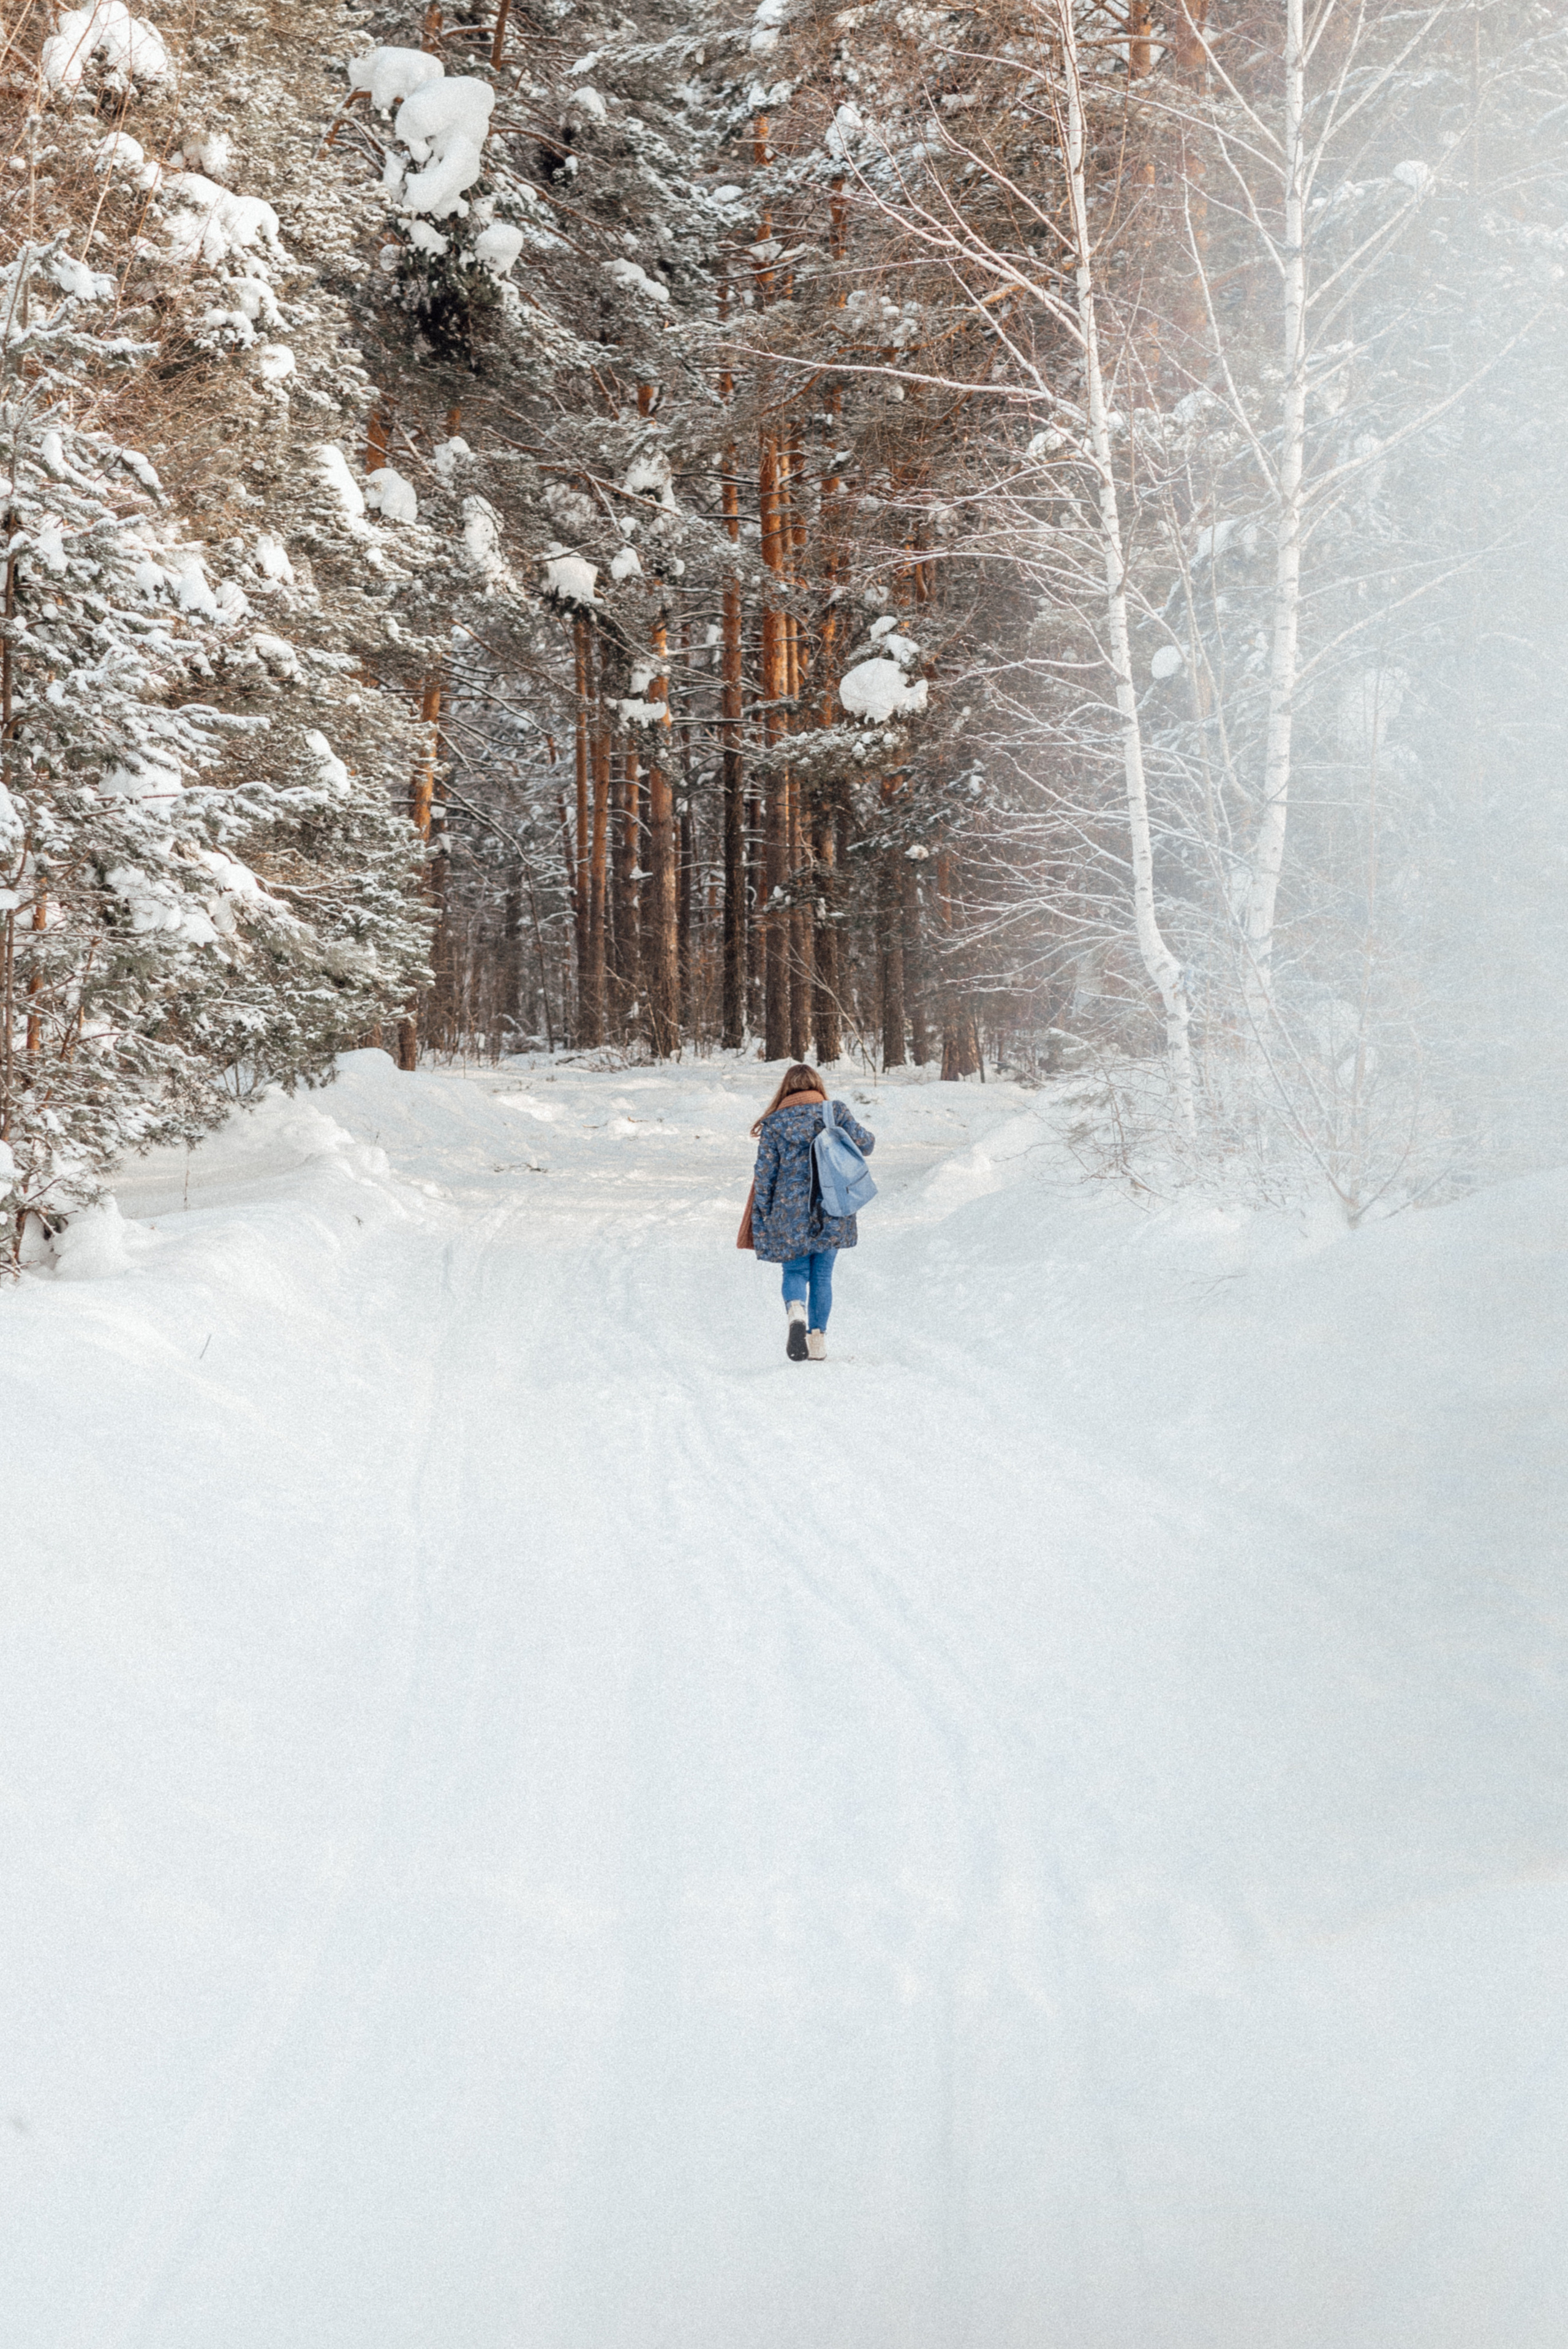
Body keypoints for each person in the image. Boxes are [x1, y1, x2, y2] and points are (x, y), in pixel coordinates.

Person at [747, 1062, 875, 1362]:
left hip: (788, 1211)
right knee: (823, 1276)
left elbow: (764, 1176)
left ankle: (796, 1313)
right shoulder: (835, 1112)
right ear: (817, 1085)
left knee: (795, 1271)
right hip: (833, 1207)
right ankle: (817, 1341)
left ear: (786, 1089)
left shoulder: (775, 1124)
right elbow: (866, 1145)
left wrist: (764, 1214)